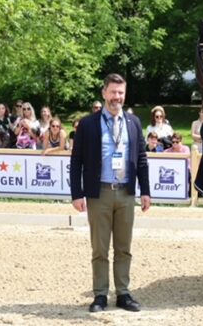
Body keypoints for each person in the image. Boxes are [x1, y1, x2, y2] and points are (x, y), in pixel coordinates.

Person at [70, 73, 151, 313]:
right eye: (113, 92)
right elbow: (76, 162)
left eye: (121, 93)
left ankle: (123, 293)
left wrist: (145, 191)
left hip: (126, 193)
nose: (117, 97)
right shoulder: (88, 124)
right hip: (99, 194)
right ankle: (100, 294)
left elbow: (142, 159)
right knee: (100, 249)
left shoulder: (133, 123)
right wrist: (77, 194)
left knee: (124, 247)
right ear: (104, 93)